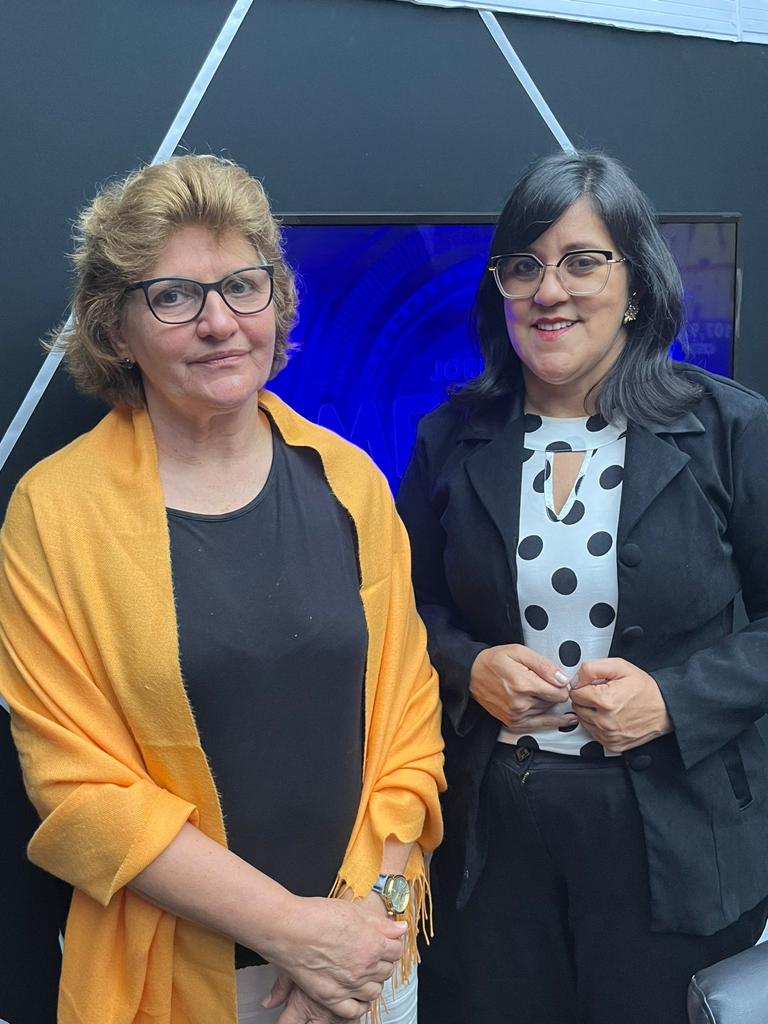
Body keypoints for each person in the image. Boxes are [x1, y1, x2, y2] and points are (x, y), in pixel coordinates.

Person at [0, 154, 445, 1024]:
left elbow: (410, 729)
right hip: (171, 982)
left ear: (277, 304)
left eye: (243, 286)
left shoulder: (351, 481)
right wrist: (297, 935)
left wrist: (366, 931)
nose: (219, 323)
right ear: (115, 331)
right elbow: (78, 791)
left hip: (368, 962)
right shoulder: (53, 514)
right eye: (174, 296)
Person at [396, 149, 768, 1024]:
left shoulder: (730, 428)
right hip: (493, 844)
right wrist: (469, 666)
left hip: (679, 842)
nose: (548, 290)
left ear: (635, 283)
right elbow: (403, 608)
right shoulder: (450, 437)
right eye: (523, 266)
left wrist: (674, 700)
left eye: (582, 261)